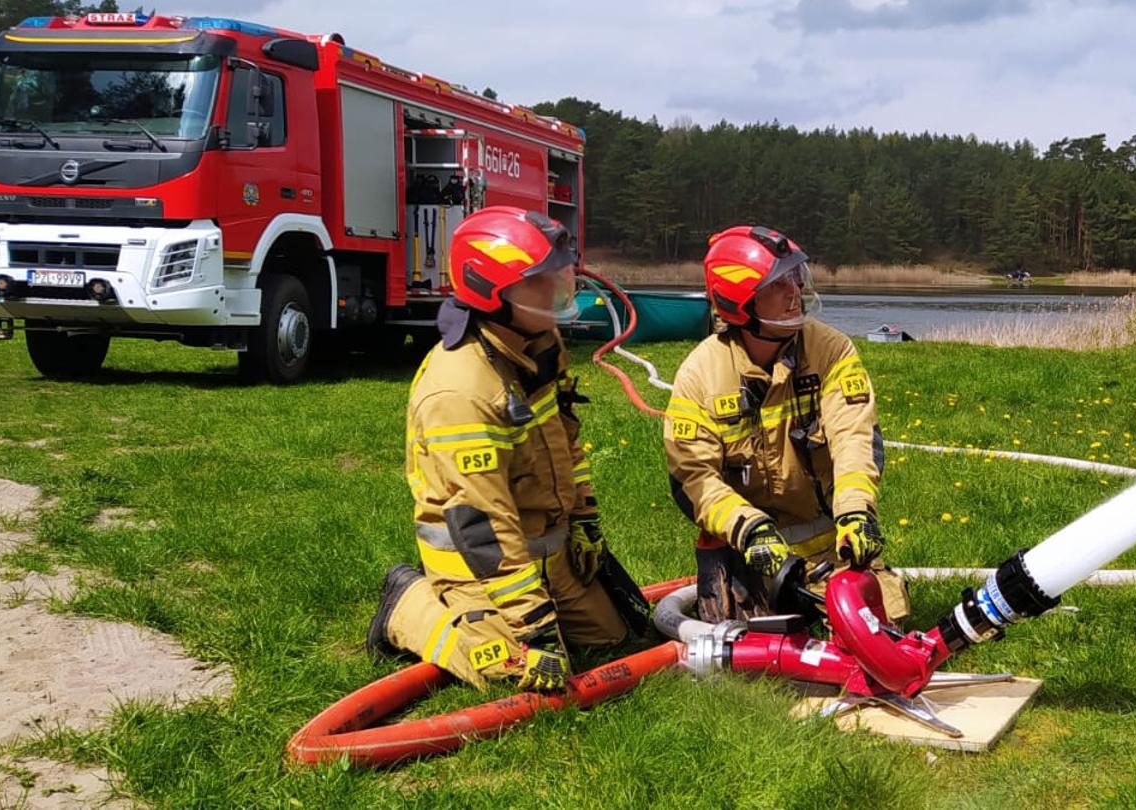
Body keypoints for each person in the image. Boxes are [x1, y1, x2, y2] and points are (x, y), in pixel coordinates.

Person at [367, 206, 648, 692]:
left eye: (559, 274)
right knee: (507, 672)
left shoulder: (539, 343)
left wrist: (584, 522)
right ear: (492, 291)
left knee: (613, 638)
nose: (561, 289)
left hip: (548, 549)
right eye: (540, 280)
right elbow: (483, 526)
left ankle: (539, 610)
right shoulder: (460, 391)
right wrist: (535, 627)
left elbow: (567, 441)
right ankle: (408, 606)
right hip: (479, 563)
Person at [663, 225, 905, 622]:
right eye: (777, 284)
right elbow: (693, 479)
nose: (794, 291)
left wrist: (856, 513)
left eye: (795, 277)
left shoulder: (830, 350)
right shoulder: (700, 375)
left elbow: (854, 438)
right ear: (740, 302)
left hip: (833, 547)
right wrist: (747, 528)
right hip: (747, 554)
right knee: (745, 649)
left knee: (877, 624)